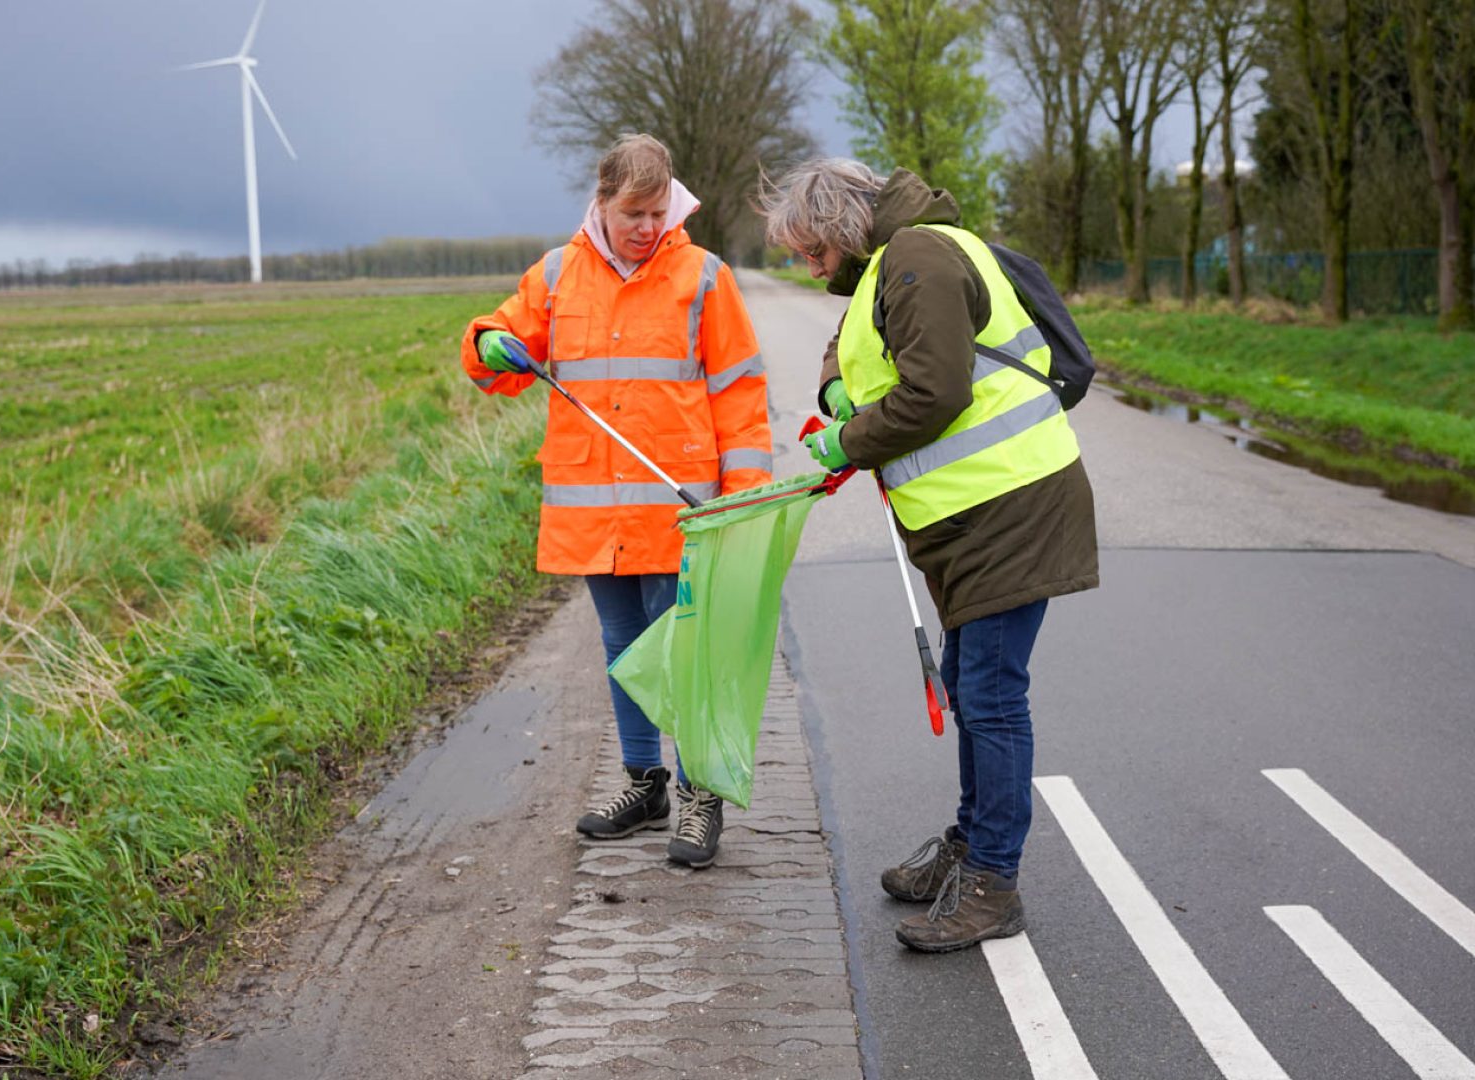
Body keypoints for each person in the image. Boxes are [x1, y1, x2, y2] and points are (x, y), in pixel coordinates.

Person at [757, 159, 1098, 950]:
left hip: (1010, 508)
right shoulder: (896, 262)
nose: (809, 269)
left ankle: (992, 886)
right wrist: (837, 394)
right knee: (971, 684)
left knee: (991, 696)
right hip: (971, 520)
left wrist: (847, 437)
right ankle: (972, 845)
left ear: (842, 225)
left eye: (811, 250)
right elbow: (856, 354)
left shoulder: (916, 257)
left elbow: (934, 393)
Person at [461, 134, 773, 868]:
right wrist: (489, 344)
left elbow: (740, 391)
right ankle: (645, 783)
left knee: (686, 655)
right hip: (594, 508)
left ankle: (701, 793)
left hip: (679, 506)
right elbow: (494, 355)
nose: (645, 226)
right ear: (601, 202)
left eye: (657, 211)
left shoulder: (702, 277)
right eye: (633, 211)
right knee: (624, 648)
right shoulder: (558, 275)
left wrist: (744, 495)